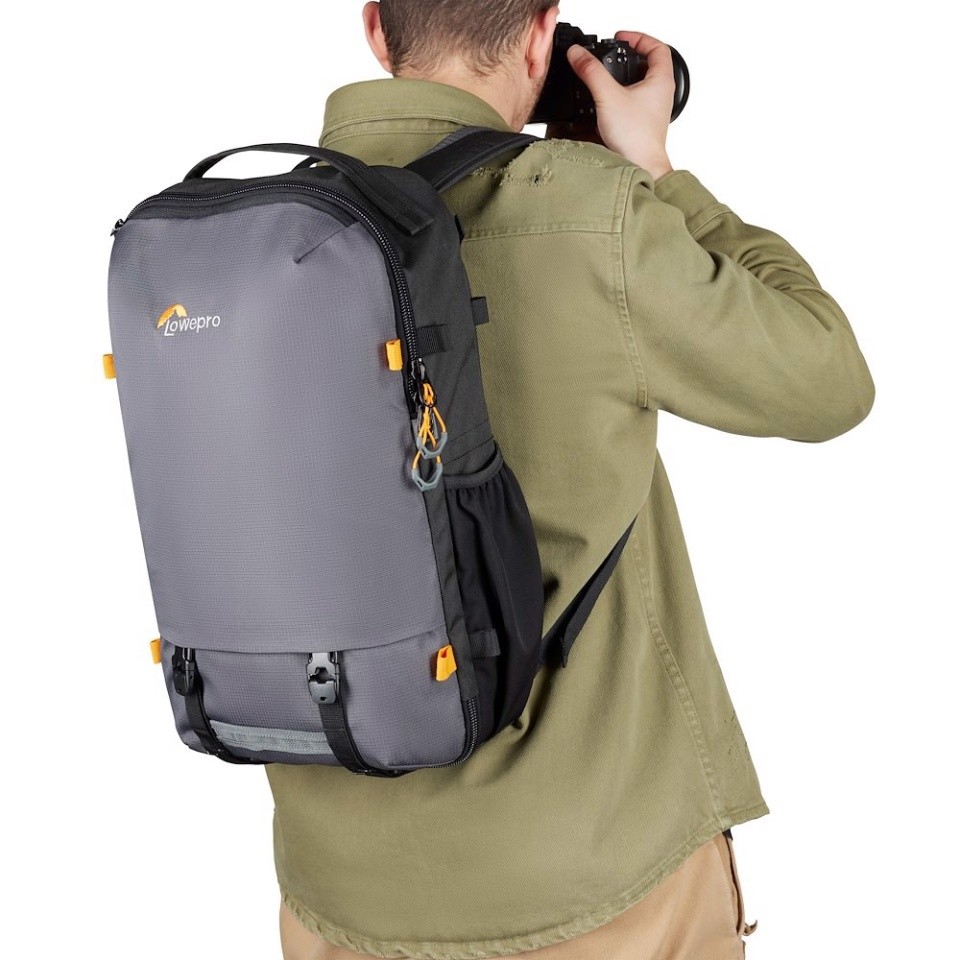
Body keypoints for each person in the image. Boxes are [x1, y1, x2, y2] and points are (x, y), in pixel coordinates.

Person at [271, 2, 875, 958]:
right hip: (593, 884)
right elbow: (829, 379)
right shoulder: (594, 216)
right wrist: (656, 173)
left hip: (334, 894)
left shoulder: (260, 233)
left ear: (377, 29)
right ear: (541, 36)